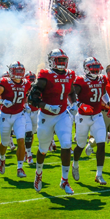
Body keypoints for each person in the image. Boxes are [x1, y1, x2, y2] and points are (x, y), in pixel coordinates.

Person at [27, 49, 76, 194]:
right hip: (46, 116)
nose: (62, 63)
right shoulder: (45, 75)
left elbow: (71, 92)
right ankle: (38, 174)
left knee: (66, 145)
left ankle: (64, 180)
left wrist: (74, 104)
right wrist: (47, 106)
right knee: (43, 150)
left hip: (62, 115)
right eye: (58, 60)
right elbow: (32, 98)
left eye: (63, 60)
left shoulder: (70, 75)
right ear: (51, 61)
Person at [72, 57, 110, 185]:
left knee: (101, 143)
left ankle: (99, 174)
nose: (95, 70)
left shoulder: (102, 79)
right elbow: (72, 96)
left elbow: (103, 92)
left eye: (96, 68)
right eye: (92, 68)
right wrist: (80, 105)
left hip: (97, 115)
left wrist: (108, 103)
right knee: (81, 145)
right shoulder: (80, 80)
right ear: (86, 68)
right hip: (83, 116)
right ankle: (75, 164)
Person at [0, 62, 30, 178]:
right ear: (11, 72)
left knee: (21, 140)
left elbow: (25, 95)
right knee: (5, 143)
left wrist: (26, 104)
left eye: (21, 71)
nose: (19, 73)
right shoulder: (5, 83)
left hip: (19, 115)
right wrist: (2, 102)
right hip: (6, 115)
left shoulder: (26, 83)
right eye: (17, 71)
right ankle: (2, 158)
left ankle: (20, 168)